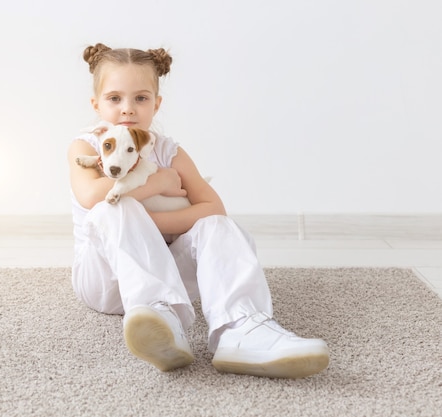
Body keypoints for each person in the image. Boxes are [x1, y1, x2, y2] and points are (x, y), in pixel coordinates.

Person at [67, 43, 329, 378]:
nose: (127, 109)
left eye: (141, 98)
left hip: (170, 278)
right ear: (97, 104)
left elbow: (213, 208)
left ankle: (241, 327)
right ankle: (156, 313)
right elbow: (91, 195)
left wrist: (151, 222)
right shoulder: (87, 145)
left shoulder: (167, 150)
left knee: (216, 226)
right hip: (105, 279)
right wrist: (159, 182)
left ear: (157, 104)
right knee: (112, 207)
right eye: (115, 98)